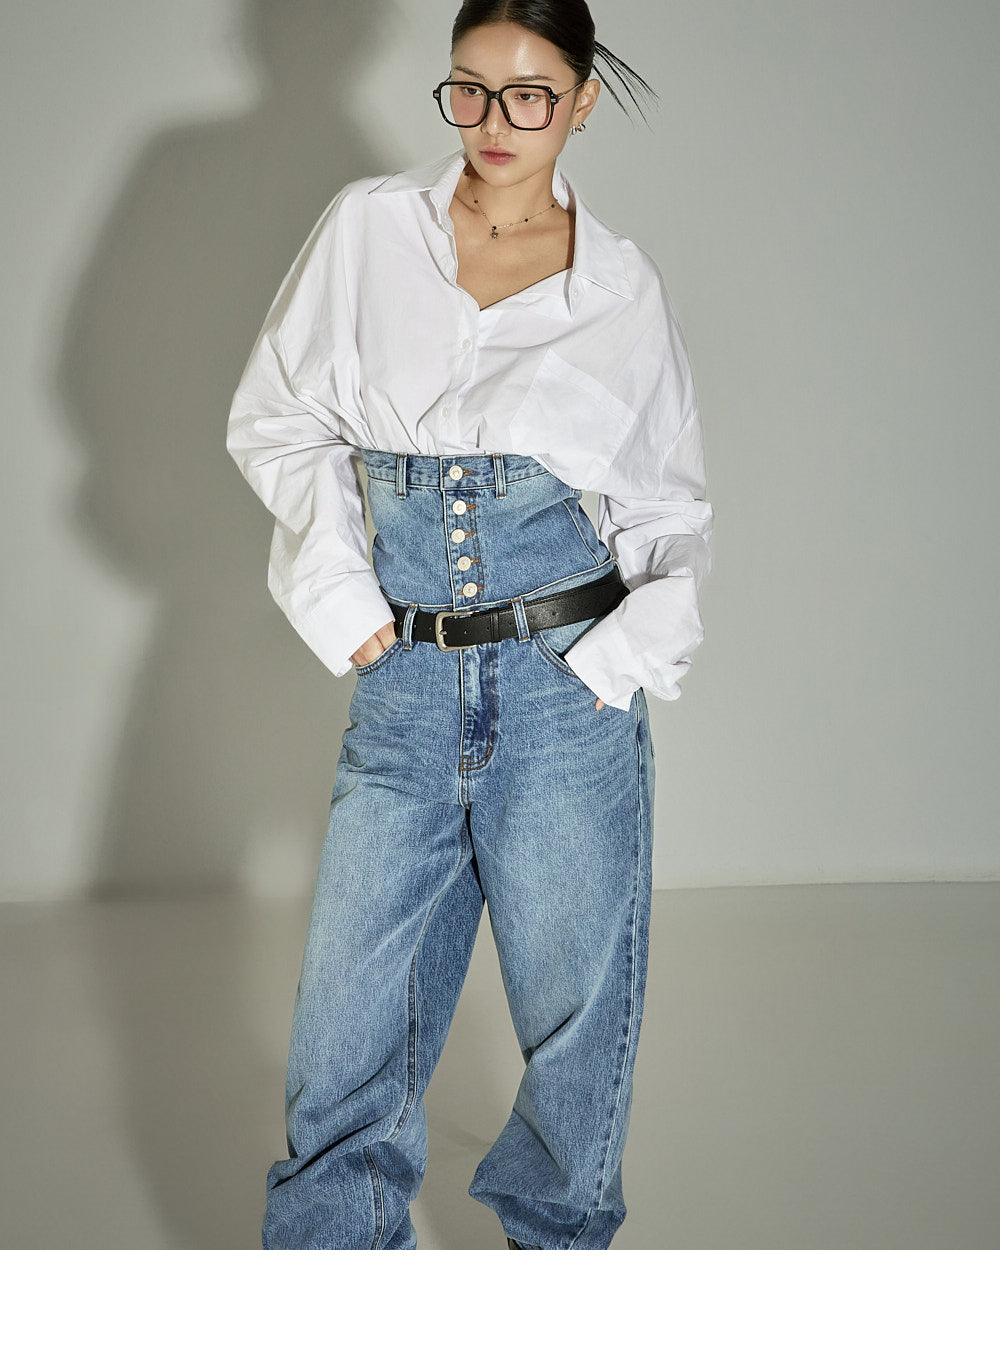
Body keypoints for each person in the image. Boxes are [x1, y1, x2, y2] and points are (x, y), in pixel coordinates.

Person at [226, 0, 713, 1250]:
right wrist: (344, 603)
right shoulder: (368, 228)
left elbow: (665, 506)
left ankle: (556, 1271)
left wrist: (610, 667)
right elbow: (279, 420)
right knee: (346, 1022)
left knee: (573, 1018)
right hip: (404, 683)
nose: (495, 121)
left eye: (530, 93)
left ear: (583, 100)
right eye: (469, 88)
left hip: (563, 687)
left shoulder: (618, 285)